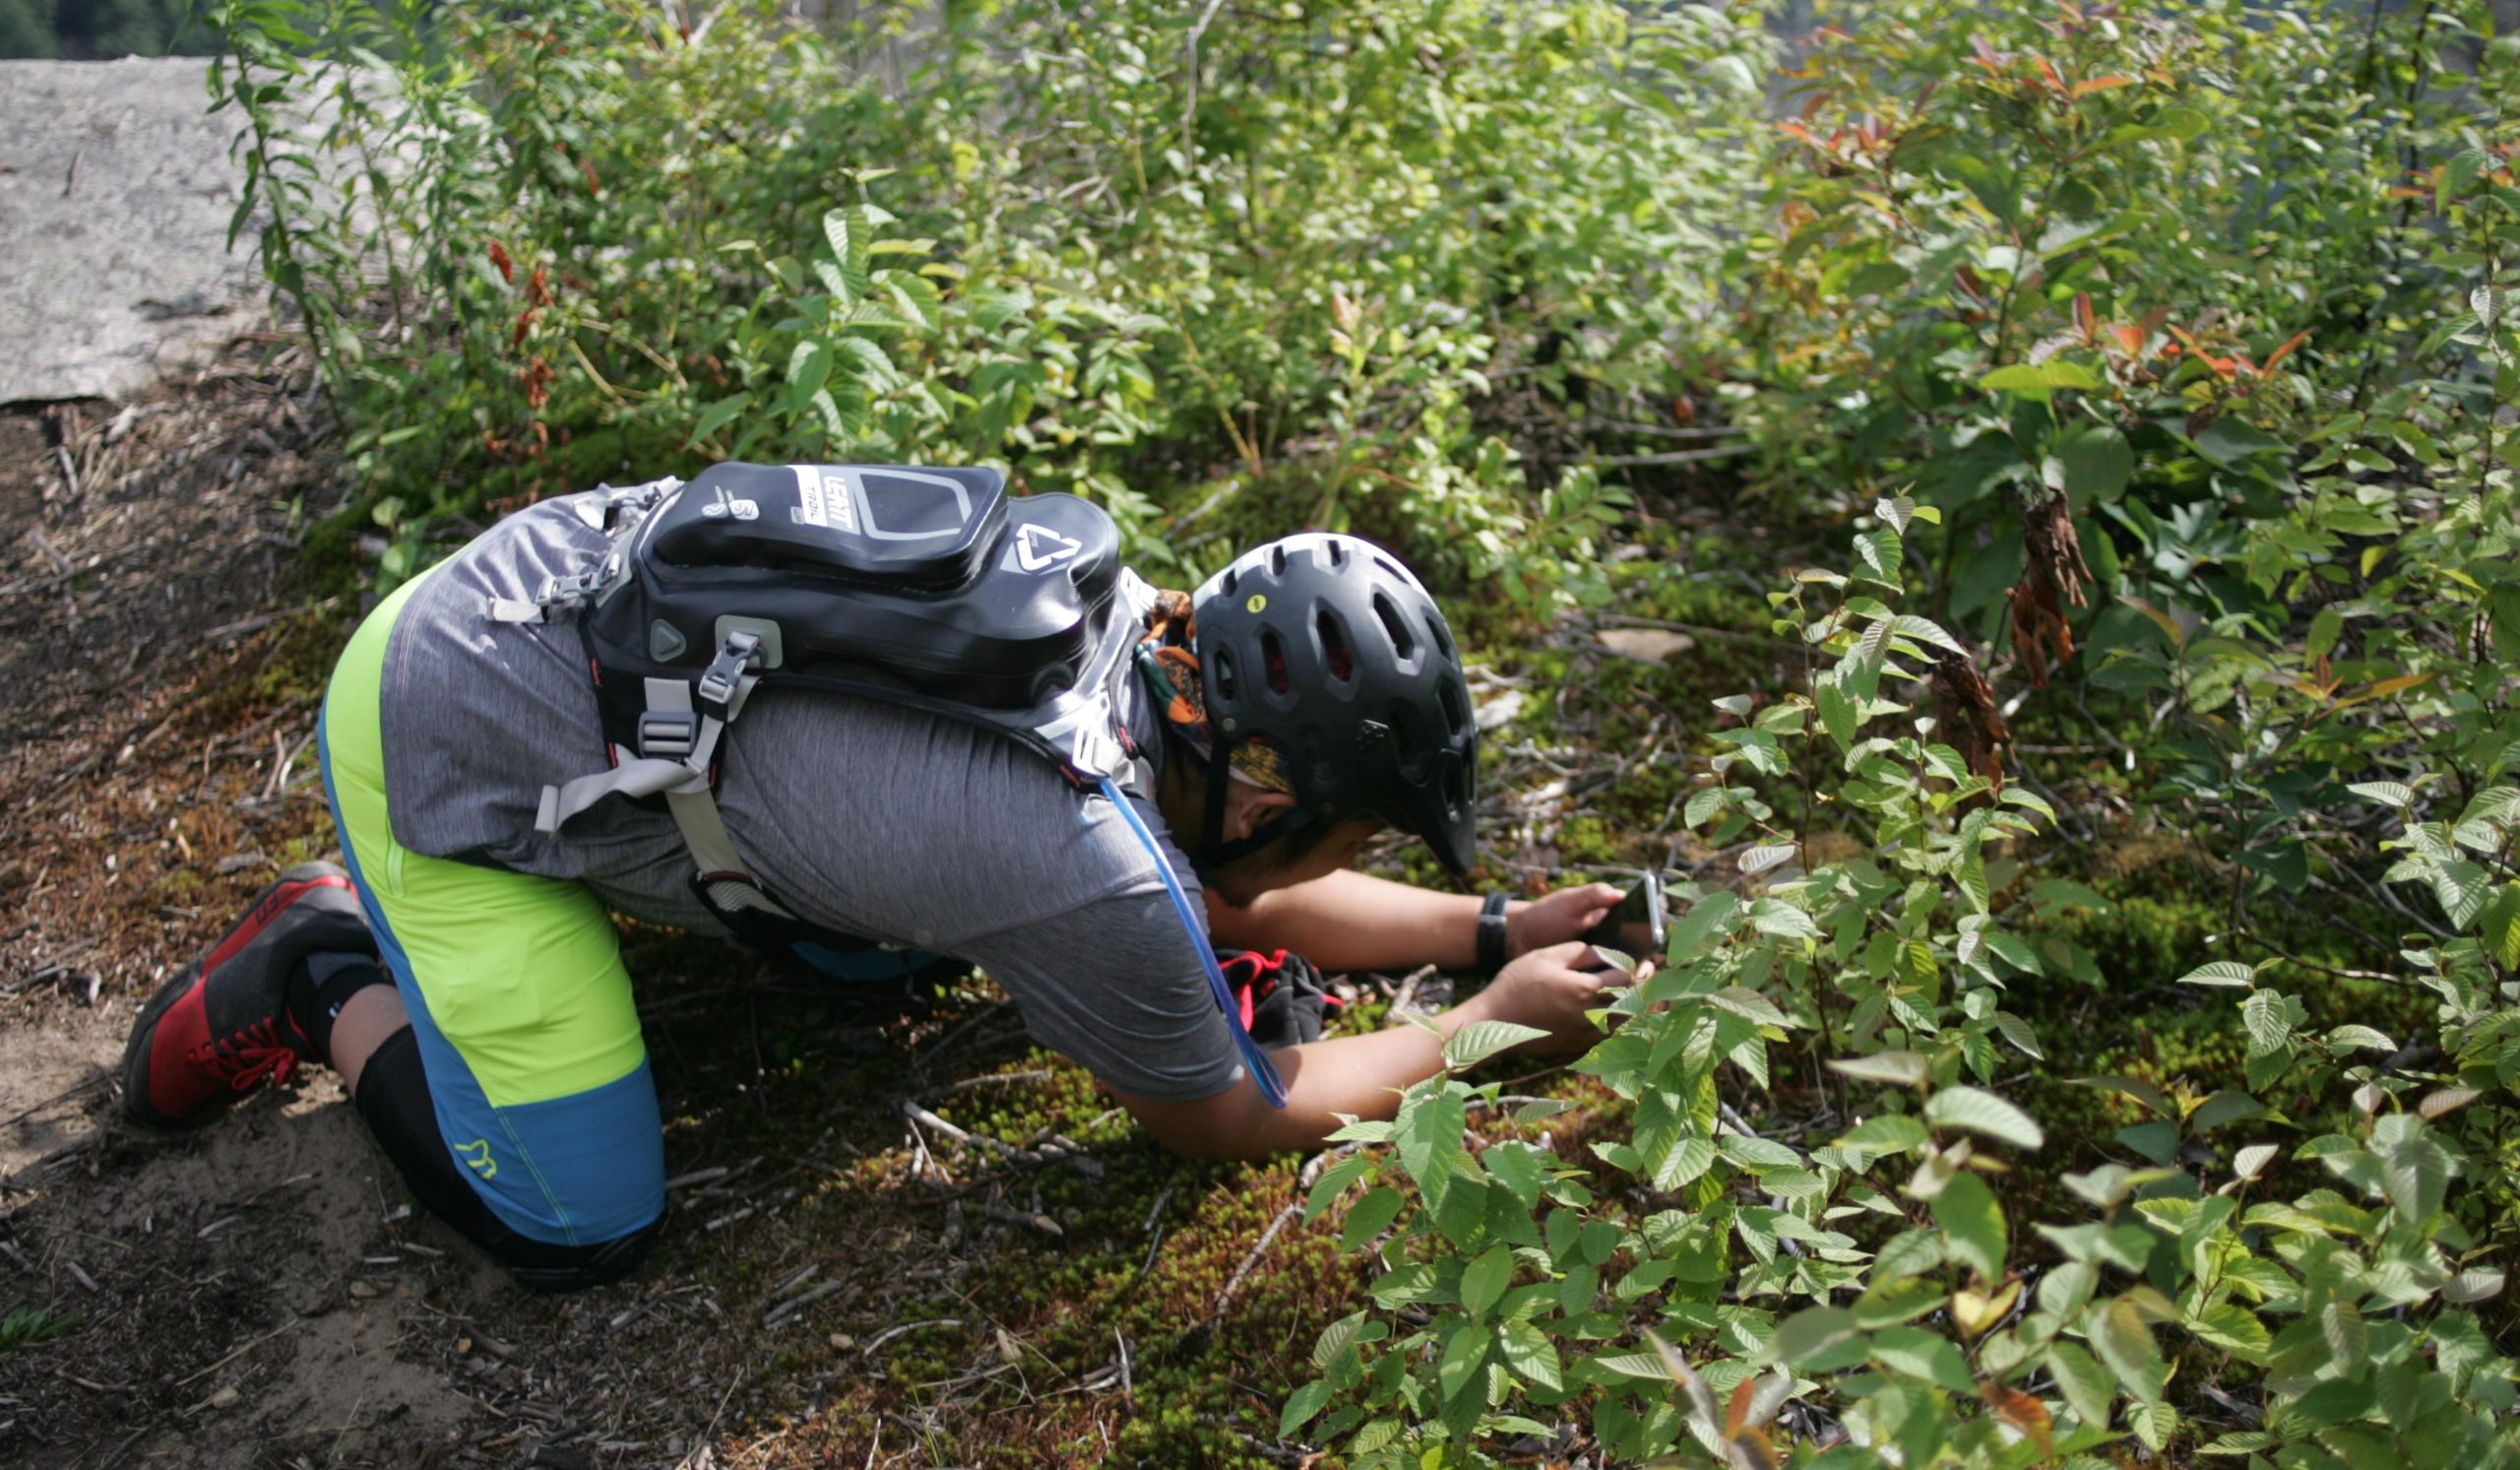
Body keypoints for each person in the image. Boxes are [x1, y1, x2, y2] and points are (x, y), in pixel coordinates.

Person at [119, 477, 1628, 1292]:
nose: (1337, 865)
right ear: (1257, 787)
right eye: (1341, 835)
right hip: (439, 732)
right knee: (579, 1232)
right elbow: (1231, 1110)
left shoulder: (1126, 631)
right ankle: (323, 968)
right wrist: (1489, 1022)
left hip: (541, 602)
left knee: (885, 964)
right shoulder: (1085, 861)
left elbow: (1222, 897)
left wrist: (1497, 925)